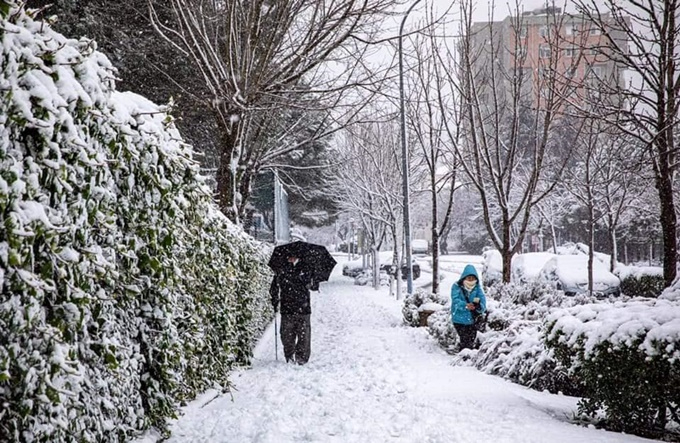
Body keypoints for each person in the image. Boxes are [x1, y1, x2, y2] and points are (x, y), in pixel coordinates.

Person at [270, 255, 315, 365]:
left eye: (293, 256)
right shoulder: (281, 269)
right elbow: (274, 287)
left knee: (304, 335)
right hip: (287, 308)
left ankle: (301, 358)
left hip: (303, 308)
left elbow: (313, 285)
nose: (291, 258)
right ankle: (289, 355)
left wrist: (310, 282)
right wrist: (275, 300)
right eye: (289, 256)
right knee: (286, 335)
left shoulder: (306, 268)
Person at [450, 264, 487, 350]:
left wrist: (478, 306)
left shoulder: (477, 288)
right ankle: (464, 358)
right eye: (468, 278)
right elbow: (455, 300)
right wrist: (465, 305)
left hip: (472, 320)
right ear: (464, 277)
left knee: (470, 341)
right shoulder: (456, 287)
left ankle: (466, 358)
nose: (470, 280)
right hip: (459, 319)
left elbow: (483, 303)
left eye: (473, 278)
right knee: (465, 341)